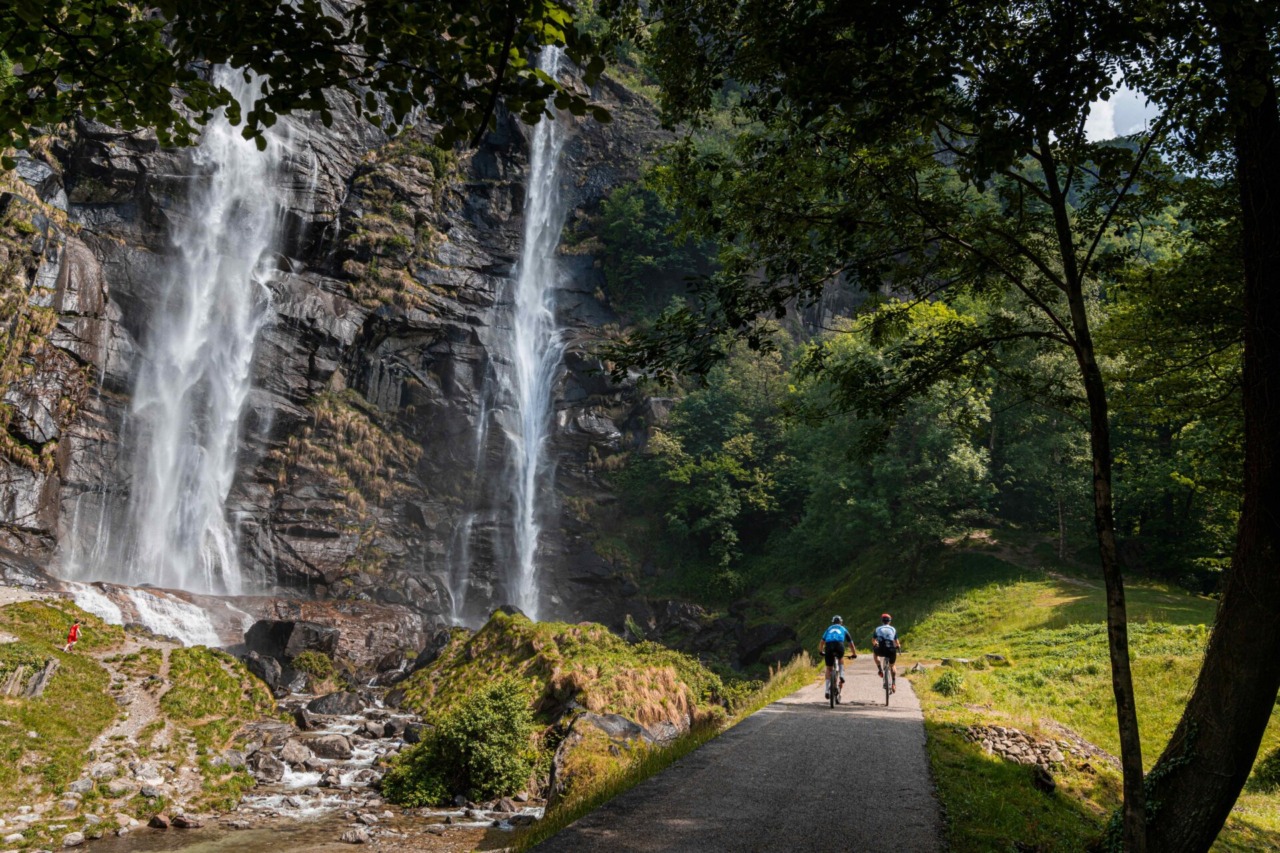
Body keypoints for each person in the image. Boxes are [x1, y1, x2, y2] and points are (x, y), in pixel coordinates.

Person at [819, 616, 856, 699]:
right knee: (840, 658)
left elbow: (822, 642)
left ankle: (827, 690)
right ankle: (842, 674)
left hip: (829, 647)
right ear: (841, 622)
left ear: (832, 622)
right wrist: (854, 654)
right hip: (839, 646)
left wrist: (821, 651)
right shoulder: (843, 629)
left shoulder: (828, 629)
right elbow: (851, 643)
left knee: (829, 669)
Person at [872, 613, 900, 692]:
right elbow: (896, 641)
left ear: (882, 621)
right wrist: (898, 646)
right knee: (892, 665)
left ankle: (880, 669)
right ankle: (894, 683)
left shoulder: (878, 629)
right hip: (891, 650)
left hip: (881, 649)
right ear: (889, 621)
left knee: (875, 653)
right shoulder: (893, 629)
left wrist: (876, 644)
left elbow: (873, 640)